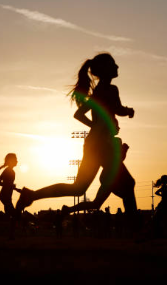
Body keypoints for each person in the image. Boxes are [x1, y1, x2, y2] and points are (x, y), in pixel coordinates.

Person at [16, 53, 134, 213]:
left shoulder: (98, 92)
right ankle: (137, 228)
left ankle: (31, 195)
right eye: (113, 64)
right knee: (127, 184)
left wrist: (96, 125)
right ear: (105, 69)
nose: (117, 66)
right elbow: (117, 109)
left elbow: (78, 114)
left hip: (93, 144)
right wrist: (128, 111)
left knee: (78, 188)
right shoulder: (111, 90)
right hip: (103, 145)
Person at [0, 153, 21, 239]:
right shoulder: (8, 171)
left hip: (6, 196)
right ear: (11, 161)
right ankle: (10, 235)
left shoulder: (10, 171)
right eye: (15, 159)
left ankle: (9, 234)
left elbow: (8, 184)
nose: (17, 161)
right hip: (4, 195)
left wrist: (15, 188)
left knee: (10, 216)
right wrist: (9, 185)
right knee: (14, 215)